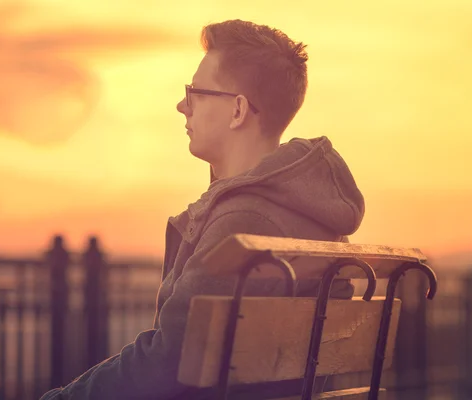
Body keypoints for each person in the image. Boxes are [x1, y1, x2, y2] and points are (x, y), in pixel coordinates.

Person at [40, 19, 364, 399]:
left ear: (238, 111)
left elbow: (167, 363)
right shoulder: (316, 221)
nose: (182, 106)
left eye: (195, 92)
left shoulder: (242, 225)